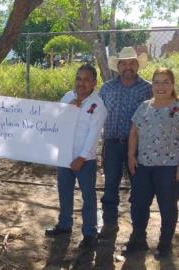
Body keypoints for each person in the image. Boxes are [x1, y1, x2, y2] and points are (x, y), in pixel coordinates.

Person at [45, 64, 107, 249]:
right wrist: (68, 108)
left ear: (94, 83)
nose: (82, 83)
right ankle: (64, 225)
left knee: (88, 196)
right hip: (64, 156)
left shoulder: (98, 106)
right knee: (64, 192)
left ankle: (89, 232)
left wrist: (81, 157)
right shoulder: (67, 96)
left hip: (84, 161)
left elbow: (93, 135)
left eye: (87, 79)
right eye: (79, 78)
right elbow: (54, 121)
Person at [99, 47, 152, 238]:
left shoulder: (148, 89)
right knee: (110, 186)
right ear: (118, 66)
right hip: (112, 144)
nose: (128, 67)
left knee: (139, 188)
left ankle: (138, 231)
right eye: (123, 63)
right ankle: (109, 224)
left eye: (131, 63)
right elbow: (96, 114)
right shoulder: (106, 88)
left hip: (139, 147)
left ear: (137, 65)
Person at [126, 67, 179, 258]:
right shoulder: (144, 106)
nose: (161, 86)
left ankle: (165, 245)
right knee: (138, 204)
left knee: (168, 207)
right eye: (156, 82)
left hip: (169, 168)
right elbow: (134, 131)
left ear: (172, 85)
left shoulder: (177, 107)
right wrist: (131, 155)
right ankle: (138, 239)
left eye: (166, 82)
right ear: (152, 85)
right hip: (143, 166)